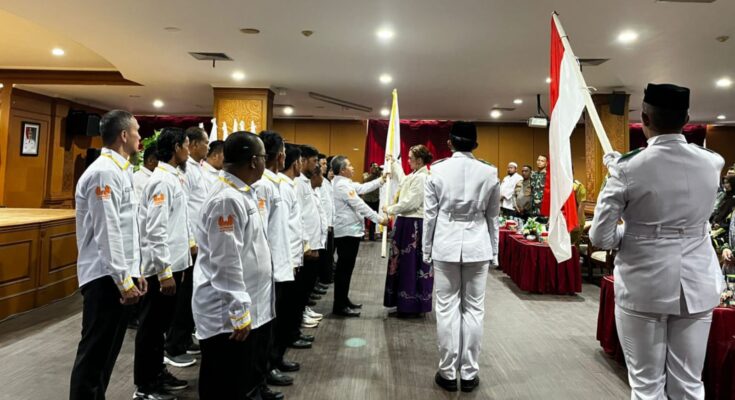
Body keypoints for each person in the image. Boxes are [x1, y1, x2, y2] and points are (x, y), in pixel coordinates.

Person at [590, 83, 725, 400]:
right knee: (689, 384)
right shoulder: (712, 161)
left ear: (645, 118)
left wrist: (629, 230)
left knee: (647, 384)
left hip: (645, 282)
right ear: (686, 119)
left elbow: (601, 237)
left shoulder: (626, 168)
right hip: (697, 281)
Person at [70, 110, 146, 400]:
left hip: (116, 275)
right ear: (124, 135)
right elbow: (107, 230)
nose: (140, 136)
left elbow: (127, 229)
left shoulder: (120, 170)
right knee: (94, 354)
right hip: (104, 276)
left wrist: (134, 272)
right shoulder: (104, 172)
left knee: (106, 355)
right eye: (137, 131)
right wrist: (123, 279)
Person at [192, 132, 273, 400]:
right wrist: (238, 310)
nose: (265, 162)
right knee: (223, 383)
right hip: (225, 313)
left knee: (236, 380)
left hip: (240, 307)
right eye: (264, 157)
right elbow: (225, 260)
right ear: (254, 161)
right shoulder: (227, 199)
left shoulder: (241, 192)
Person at [423, 121, 499, 393]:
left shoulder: (437, 170)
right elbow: (493, 217)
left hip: (445, 243)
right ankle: (469, 373)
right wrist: (495, 252)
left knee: (446, 309)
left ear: (450, 143)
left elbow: (430, 216)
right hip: (478, 244)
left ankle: (447, 371)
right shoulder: (490, 172)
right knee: (474, 310)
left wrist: (426, 249)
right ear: (475, 145)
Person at [135, 127, 193, 399]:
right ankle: (145, 385)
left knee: (160, 327)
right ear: (176, 148)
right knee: (151, 328)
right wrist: (164, 272)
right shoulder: (161, 181)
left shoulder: (173, 177)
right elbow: (155, 230)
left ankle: (157, 373)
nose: (188, 150)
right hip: (162, 270)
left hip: (174, 266)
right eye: (186, 145)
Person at [252, 132, 297, 390]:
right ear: (278, 155)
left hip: (279, 264)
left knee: (274, 324)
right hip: (268, 267)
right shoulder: (263, 185)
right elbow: (261, 231)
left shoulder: (274, 182)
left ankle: (271, 364)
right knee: (265, 328)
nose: (283, 156)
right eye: (282, 152)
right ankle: (263, 374)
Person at [162, 127, 209, 367]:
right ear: (194, 145)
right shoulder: (185, 170)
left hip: (197, 240)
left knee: (190, 295)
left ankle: (183, 338)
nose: (208, 147)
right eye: (206, 143)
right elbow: (188, 210)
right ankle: (174, 345)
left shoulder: (197, 168)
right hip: (190, 243)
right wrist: (192, 241)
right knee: (183, 298)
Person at [331, 155, 387, 317]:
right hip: (346, 233)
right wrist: (379, 219)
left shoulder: (345, 183)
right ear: (342, 170)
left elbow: (362, 188)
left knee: (346, 270)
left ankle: (343, 300)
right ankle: (339, 305)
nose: (353, 167)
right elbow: (359, 204)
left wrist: (381, 180)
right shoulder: (341, 185)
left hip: (350, 232)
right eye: (349, 165)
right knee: (344, 270)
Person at [383, 145, 434, 317]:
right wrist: (394, 163)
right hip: (407, 222)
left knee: (410, 265)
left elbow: (411, 202)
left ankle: (410, 305)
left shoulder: (422, 178)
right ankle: (404, 303)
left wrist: (390, 209)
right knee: (404, 263)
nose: (408, 160)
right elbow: (404, 180)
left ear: (419, 160)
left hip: (413, 225)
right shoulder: (415, 175)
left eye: (410, 158)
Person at [295, 145, 326, 334]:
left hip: (313, 242)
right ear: (303, 160)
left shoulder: (305, 182)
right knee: (300, 287)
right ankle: (298, 319)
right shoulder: (298, 183)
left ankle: (302, 312)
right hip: (305, 245)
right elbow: (299, 217)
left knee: (307, 285)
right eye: (314, 161)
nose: (317, 166)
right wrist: (307, 244)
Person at [317, 153, 336, 286]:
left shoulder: (326, 182)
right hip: (322, 225)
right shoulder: (318, 182)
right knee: (322, 256)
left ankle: (324, 277)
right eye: (322, 164)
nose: (325, 166)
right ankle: (322, 278)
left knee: (328, 254)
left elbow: (330, 205)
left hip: (328, 224)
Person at [362, 162, 383, 240]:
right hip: (366, 199)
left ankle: (371, 236)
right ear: (370, 168)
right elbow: (365, 180)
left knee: (374, 218)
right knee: (364, 218)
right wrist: (373, 174)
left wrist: (379, 172)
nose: (375, 168)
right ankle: (362, 235)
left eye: (376, 167)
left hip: (375, 200)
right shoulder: (366, 174)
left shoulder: (379, 175)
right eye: (374, 167)